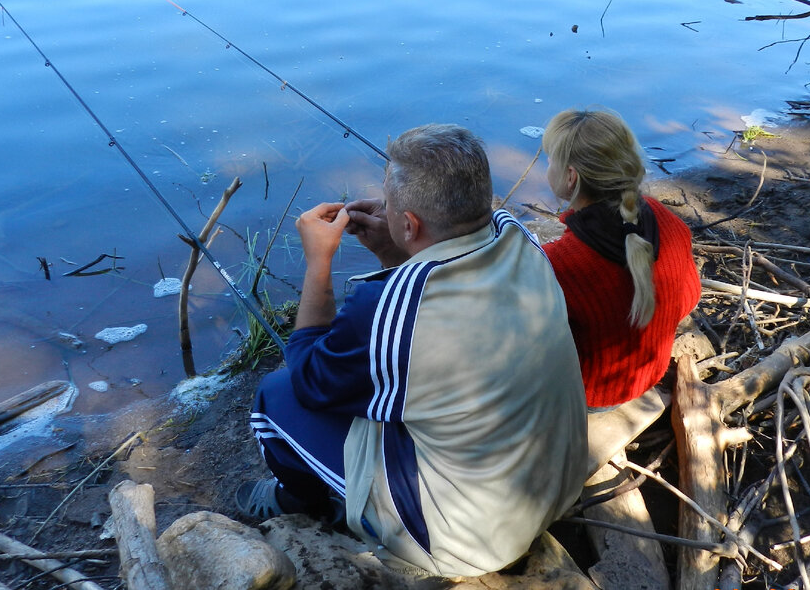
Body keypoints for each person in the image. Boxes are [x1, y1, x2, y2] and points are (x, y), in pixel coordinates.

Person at [242, 124, 589, 578]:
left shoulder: (384, 307)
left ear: (409, 223)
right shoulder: (520, 238)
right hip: (557, 488)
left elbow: (308, 377)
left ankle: (297, 502)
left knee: (275, 395)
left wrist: (318, 264)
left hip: (466, 540)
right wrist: (399, 252)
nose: (382, 210)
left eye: (390, 206)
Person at [541, 109, 701, 409]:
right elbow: (690, 298)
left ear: (571, 177)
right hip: (649, 373)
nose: (546, 166)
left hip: (591, 397)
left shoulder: (559, 264)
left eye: (550, 159)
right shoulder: (667, 220)